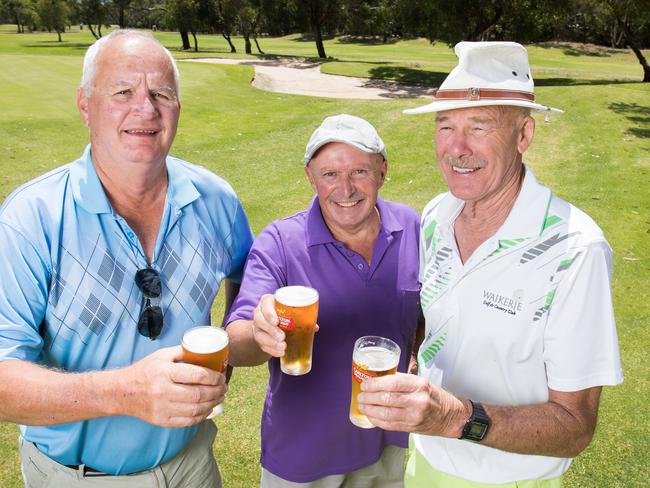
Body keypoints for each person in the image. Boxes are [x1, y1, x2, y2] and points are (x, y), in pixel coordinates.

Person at [356, 41, 624, 487]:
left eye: (479, 126)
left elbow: (575, 427)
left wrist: (453, 417)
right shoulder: (439, 214)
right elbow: (437, 315)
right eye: (445, 127)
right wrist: (416, 370)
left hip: (509, 479)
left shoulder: (575, 249)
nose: (457, 148)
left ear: (523, 136)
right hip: (425, 462)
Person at [0, 29, 253, 487]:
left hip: (192, 465)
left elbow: (246, 278)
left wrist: (226, 351)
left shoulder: (216, 200)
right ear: (85, 105)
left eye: (161, 93)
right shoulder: (29, 218)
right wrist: (126, 392)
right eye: (123, 92)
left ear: (177, 108)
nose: (146, 108)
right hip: (74, 478)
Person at [226, 114, 422, 487]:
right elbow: (236, 343)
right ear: (310, 176)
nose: (345, 188)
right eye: (330, 174)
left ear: (382, 171)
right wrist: (259, 332)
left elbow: (426, 305)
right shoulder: (281, 242)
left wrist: (416, 351)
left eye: (359, 171)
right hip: (304, 456)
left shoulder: (412, 225)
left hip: (387, 443)